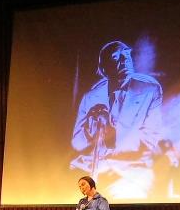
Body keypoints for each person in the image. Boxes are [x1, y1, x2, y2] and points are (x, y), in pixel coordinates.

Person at [70, 40, 165, 199]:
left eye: (127, 55)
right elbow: (76, 143)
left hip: (131, 170)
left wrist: (113, 136)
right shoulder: (91, 97)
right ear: (104, 68)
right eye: (116, 58)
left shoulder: (150, 90)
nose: (125, 61)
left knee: (122, 195)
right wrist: (90, 128)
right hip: (91, 171)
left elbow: (150, 138)